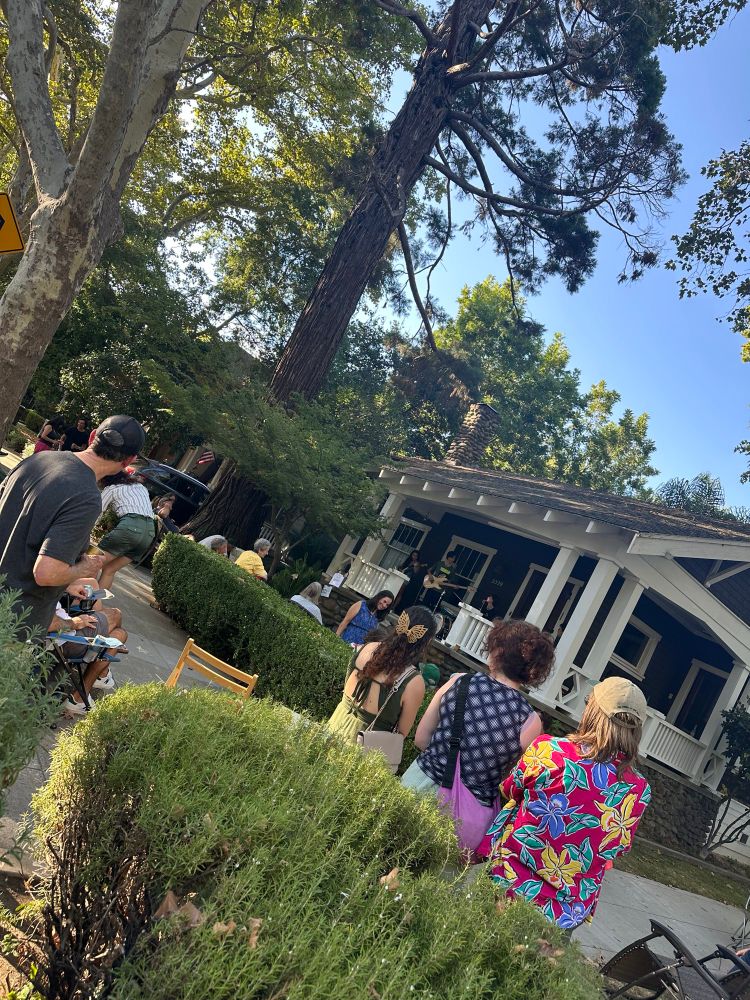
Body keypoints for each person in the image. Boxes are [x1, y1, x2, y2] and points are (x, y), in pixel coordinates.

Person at [486, 676, 651, 932]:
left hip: (509, 880)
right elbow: (616, 847)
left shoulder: (550, 751)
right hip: (565, 909)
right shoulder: (638, 791)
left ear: (592, 711)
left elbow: (509, 789)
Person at [401, 620, 555, 846]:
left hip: (419, 786)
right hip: (466, 820)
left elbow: (421, 739)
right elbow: (514, 784)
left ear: (497, 651)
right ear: (533, 670)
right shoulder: (530, 721)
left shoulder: (458, 682)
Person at [0, 414, 146, 634]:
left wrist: (67, 584)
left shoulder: (39, 459)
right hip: (14, 620)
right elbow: (46, 573)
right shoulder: (87, 497)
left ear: (93, 436)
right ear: (128, 461)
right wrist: (83, 568)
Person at [327, 606, 435, 744]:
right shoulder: (414, 682)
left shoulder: (367, 647)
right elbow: (401, 732)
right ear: (426, 642)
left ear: (399, 624)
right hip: (366, 748)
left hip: (334, 726)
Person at [97, 469, 156, 590]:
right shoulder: (139, 486)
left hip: (130, 527)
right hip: (149, 533)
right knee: (109, 570)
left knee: (92, 564)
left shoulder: (111, 489)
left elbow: (97, 512)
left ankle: (80, 604)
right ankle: (96, 604)